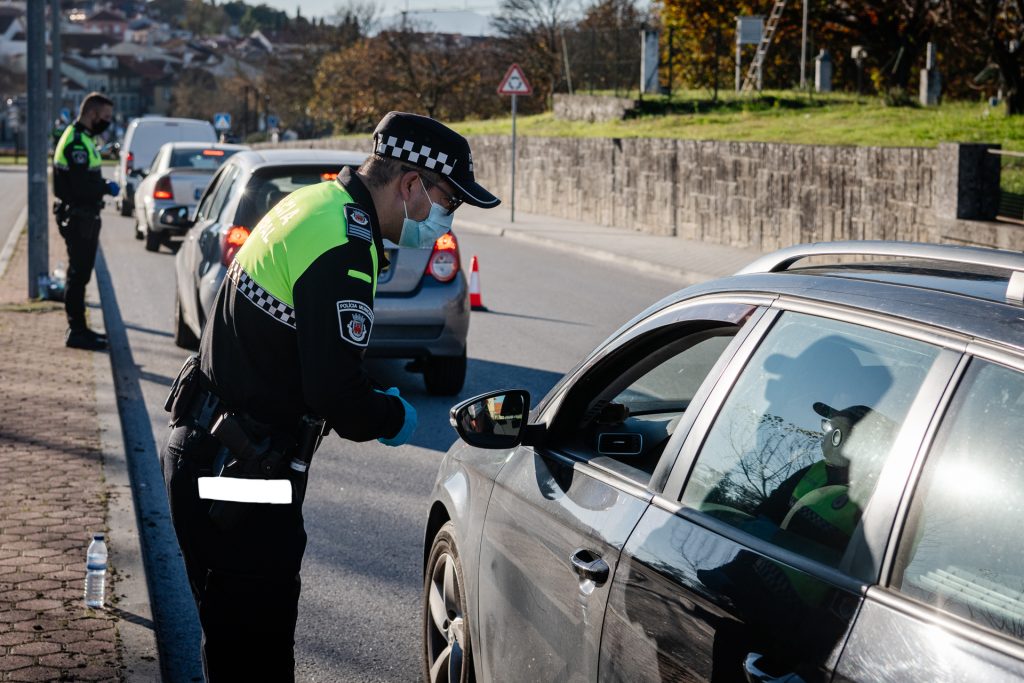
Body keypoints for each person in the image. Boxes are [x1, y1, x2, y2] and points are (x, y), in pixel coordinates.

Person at [160, 111, 500, 681]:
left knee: (232, 644)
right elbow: (336, 393)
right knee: (257, 653)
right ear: (411, 183)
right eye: (447, 202)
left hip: (212, 452)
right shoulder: (346, 242)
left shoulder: (313, 204)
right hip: (242, 478)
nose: (443, 220)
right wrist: (391, 414)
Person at [52, 92, 119, 350]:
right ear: (92, 114)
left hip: (84, 217)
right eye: (105, 117)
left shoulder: (85, 138)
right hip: (78, 217)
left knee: (80, 274)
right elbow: (81, 186)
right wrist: (105, 186)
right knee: (78, 275)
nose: (108, 121)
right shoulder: (77, 142)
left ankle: (80, 329)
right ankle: (77, 331)